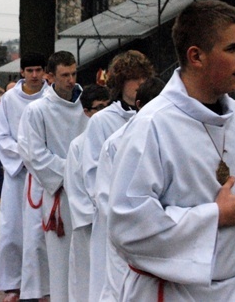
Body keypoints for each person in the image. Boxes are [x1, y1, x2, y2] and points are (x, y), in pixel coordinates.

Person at [108, 0, 235, 300]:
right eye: (233, 48)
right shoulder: (153, 125)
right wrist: (213, 216)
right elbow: (127, 225)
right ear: (196, 56)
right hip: (173, 291)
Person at [78, 50, 154, 301]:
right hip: (115, 218)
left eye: (144, 79)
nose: (140, 85)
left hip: (145, 216)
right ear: (120, 83)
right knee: (114, 282)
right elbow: (91, 172)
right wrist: (117, 213)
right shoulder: (102, 121)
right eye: (134, 79)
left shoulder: (154, 117)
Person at [19, 51, 89, 302]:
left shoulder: (87, 105)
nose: (71, 80)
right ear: (50, 77)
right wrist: (73, 171)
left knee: (86, 260)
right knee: (60, 263)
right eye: (65, 75)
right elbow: (33, 154)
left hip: (88, 193)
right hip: (59, 194)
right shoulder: (37, 110)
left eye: (74, 73)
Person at [95, 77, 164, 301]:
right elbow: (106, 199)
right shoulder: (116, 143)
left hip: (162, 241)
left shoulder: (169, 139)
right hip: (128, 241)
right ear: (139, 105)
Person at [0, 52, 50, 302]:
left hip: (44, 174)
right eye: (30, 71)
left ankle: (42, 285)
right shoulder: (9, 99)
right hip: (18, 174)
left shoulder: (53, 96)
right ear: (22, 73)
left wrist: (40, 158)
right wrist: (26, 154)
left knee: (40, 231)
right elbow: (1, 136)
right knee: (12, 229)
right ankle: (13, 284)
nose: (35, 75)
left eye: (39, 70)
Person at [63, 84, 110, 302]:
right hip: (89, 226)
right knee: (85, 280)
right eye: (98, 108)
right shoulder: (78, 145)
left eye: (107, 107)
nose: (102, 113)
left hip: (111, 225)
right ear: (87, 112)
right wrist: (96, 215)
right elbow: (75, 188)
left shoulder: (118, 138)